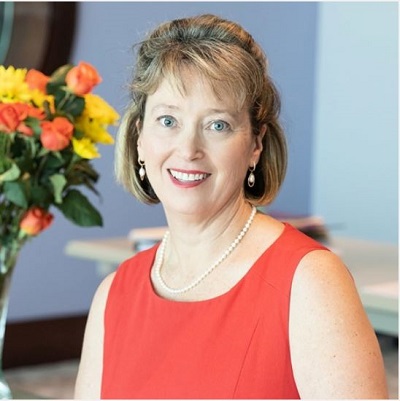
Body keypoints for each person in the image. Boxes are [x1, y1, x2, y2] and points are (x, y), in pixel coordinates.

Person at [74, 14, 388, 399]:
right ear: (139, 138)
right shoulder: (115, 293)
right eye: (168, 120)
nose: (188, 149)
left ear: (255, 143)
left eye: (217, 125)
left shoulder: (309, 283)